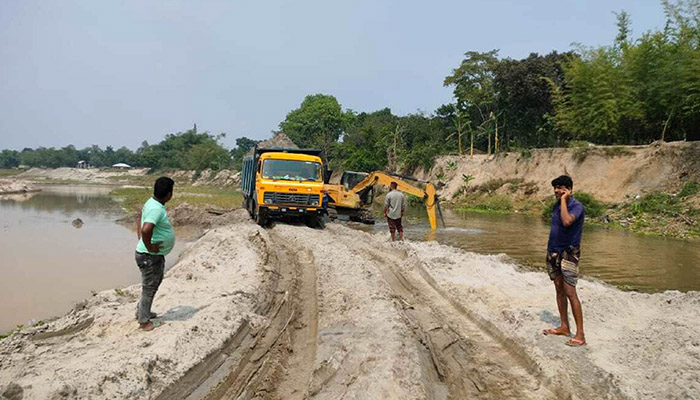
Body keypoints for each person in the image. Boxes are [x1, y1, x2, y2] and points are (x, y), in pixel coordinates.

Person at [542, 175, 586, 346]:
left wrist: (564, 200)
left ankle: (580, 334)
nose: (557, 191)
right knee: (559, 289)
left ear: (569, 190)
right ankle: (564, 327)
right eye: (556, 188)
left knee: (570, 291)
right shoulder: (557, 205)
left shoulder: (577, 206)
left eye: (561, 188)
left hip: (568, 253)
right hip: (554, 252)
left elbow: (567, 222)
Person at [134, 177, 175, 331]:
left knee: (152, 284)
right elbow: (146, 229)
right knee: (149, 288)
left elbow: (139, 218)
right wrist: (149, 245)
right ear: (169, 194)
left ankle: (142, 311)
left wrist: (142, 239)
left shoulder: (151, 203)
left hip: (150, 255)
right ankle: (144, 321)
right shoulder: (156, 209)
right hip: (149, 257)